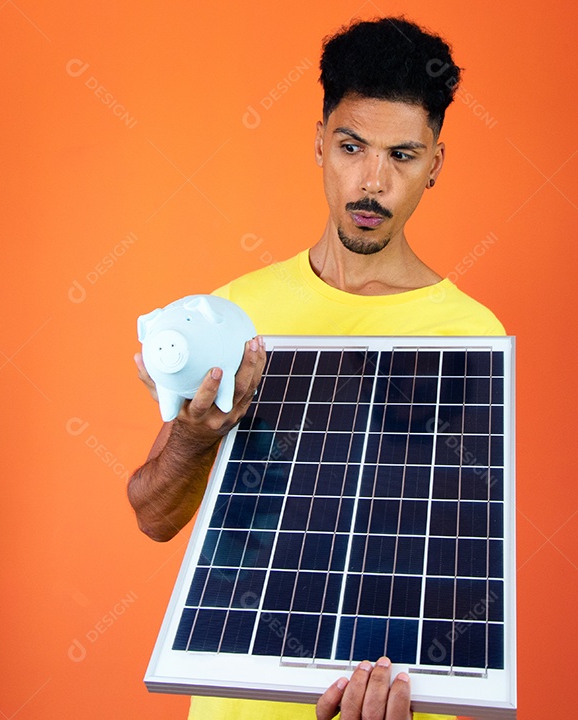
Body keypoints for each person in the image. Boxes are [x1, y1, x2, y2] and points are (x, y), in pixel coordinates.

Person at [129, 16, 505, 720]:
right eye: (352, 147)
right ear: (319, 144)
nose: (372, 183)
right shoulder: (238, 313)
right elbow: (154, 516)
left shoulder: (467, 337)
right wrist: (191, 435)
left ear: (436, 163)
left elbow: (460, 566)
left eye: (402, 155)